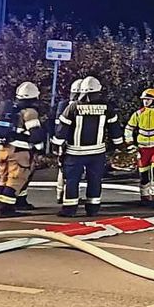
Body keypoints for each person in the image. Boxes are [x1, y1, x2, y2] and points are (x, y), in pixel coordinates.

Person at [52, 76, 122, 217]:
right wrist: (118, 146)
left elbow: (61, 131)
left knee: (72, 180)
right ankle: (93, 208)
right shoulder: (107, 108)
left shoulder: (72, 107)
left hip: (74, 153)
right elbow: (115, 130)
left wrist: (56, 147)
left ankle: (70, 209)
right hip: (97, 153)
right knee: (95, 180)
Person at [0, 82, 47, 218]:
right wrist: (40, 149)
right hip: (18, 151)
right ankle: (6, 210)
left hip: (2, 149)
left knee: (4, 179)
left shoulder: (7, 111)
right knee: (16, 179)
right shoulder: (30, 113)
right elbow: (36, 134)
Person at [124, 88, 154, 207]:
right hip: (142, 148)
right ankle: (144, 196)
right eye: (144, 99)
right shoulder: (138, 114)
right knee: (143, 174)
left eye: (148, 99)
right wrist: (130, 143)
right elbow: (128, 128)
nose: (145, 101)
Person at [54, 78, 84, 206]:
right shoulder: (76, 107)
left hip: (62, 142)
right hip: (72, 143)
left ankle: (60, 194)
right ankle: (67, 195)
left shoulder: (63, 105)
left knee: (63, 169)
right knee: (72, 172)